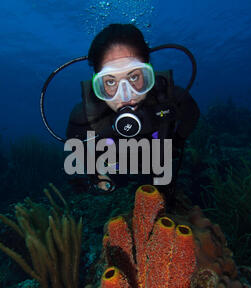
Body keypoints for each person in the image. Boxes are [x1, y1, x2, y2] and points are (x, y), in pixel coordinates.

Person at [66, 24, 200, 199]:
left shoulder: (170, 98)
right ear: (97, 85)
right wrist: (95, 174)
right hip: (114, 167)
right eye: (110, 82)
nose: (126, 95)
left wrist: (177, 141)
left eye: (134, 77)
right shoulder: (82, 117)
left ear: (148, 74)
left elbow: (192, 113)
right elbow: (75, 147)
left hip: (158, 164)